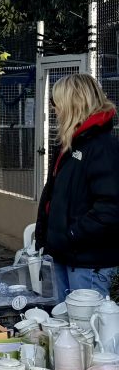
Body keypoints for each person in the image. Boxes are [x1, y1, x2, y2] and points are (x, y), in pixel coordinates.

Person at [35, 73, 119, 298]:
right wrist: (45, 239)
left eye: (57, 102)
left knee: (86, 321)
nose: (54, 108)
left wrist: (71, 234)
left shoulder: (102, 148)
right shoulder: (70, 144)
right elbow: (53, 196)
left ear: (74, 103)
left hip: (88, 262)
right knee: (62, 317)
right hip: (63, 254)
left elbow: (110, 209)